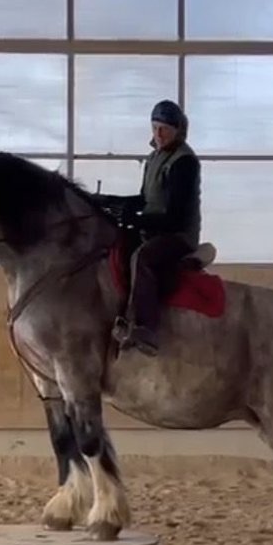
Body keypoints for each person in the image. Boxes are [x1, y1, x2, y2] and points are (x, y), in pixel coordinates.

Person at [98, 99, 202, 357]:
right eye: (155, 127)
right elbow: (145, 200)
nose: (158, 134)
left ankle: (147, 328)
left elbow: (175, 217)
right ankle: (120, 314)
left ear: (178, 130)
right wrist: (111, 202)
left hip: (178, 235)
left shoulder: (184, 162)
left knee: (143, 257)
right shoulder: (154, 158)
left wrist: (134, 220)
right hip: (155, 229)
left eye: (164, 129)